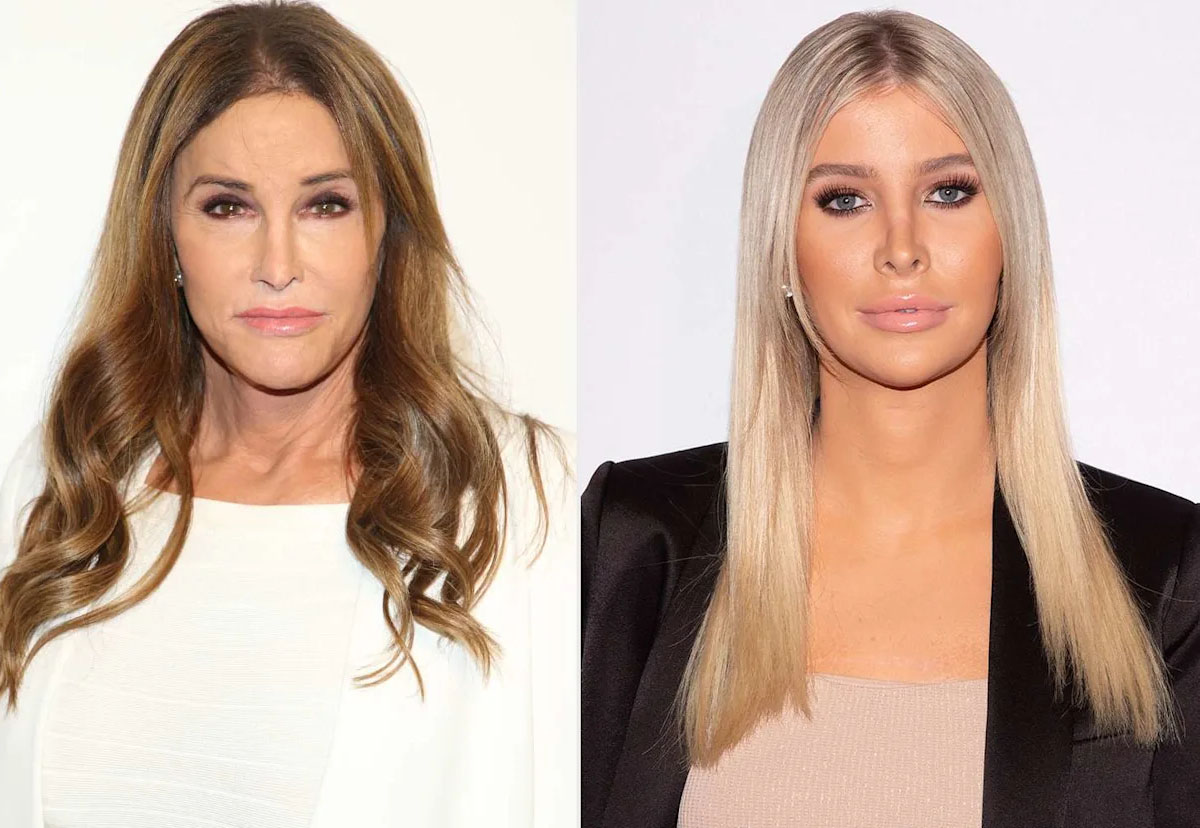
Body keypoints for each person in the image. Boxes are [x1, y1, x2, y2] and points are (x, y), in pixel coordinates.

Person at [581, 10, 1199, 828]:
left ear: (1009, 231)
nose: (901, 247)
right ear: (781, 246)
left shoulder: (1165, 571)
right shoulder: (632, 542)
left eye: (948, 192)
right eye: (845, 200)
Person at [0, 2, 575, 826]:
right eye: (227, 207)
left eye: (325, 205)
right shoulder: (65, 492)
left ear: (387, 233)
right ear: (164, 235)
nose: (277, 264)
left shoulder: (529, 505)